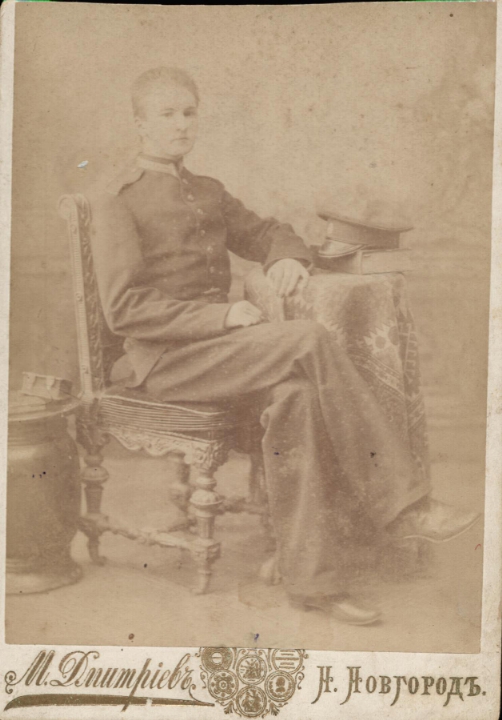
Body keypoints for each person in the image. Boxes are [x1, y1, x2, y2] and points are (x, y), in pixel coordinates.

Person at [90, 67, 480, 626]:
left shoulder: (208, 190)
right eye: (167, 114)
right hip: (166, 362)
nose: (181, 124)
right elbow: (124, 309)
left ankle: (313, 583)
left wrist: (286, 258)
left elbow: (270, 232)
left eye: (189, 112)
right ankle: (402, 504)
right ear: (140, 123)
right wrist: (222, 315)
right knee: (308, 338)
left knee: (297, 396)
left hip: (218, 354)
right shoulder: (117, 200)